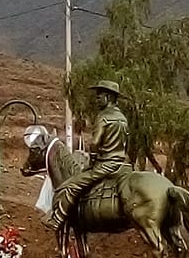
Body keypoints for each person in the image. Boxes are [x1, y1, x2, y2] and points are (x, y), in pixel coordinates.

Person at [50, 80, 132, 235]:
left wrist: (92, 159)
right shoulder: (122, 118)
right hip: (122, 164)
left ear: (108, 97)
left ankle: (57, 219)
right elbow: (126, 143)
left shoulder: (103, 117)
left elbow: (94, 143)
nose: (97, 99)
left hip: (106, 165)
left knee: (71, 185)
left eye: (100, 96)